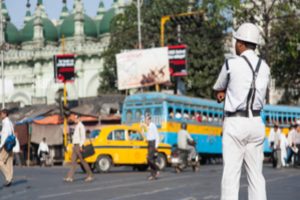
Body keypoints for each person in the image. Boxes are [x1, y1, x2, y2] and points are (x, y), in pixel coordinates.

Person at [213, 23, 270, 200]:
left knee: (231, 176)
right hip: (256, 123)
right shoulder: (265, 67)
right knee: (256, 177)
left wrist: (221, 94)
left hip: (235, 123)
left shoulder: (231, 64)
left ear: (240, 44)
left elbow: (218, 88)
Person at [64, 114, 94, 182]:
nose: (74, 120)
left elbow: (83, 137)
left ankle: (90, 175)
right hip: (75, 146)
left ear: (78, 119)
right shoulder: (77, 126)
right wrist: (73, 145)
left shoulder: (81, 126)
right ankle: (70, 177)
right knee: (73, 161)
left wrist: (80, 146)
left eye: (75, 119)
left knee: (82, 161)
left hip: (78, 146)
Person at [142, 114, 160, 180]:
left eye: (146, 119)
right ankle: (153, 174)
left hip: (153, 143)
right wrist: (143, 131)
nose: (145, 121)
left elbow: (157, 136)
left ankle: (157, 169)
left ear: (149, 119)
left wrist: (156, 146)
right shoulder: (147, 126)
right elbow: (146, 136)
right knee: (150, 159)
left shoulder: (153, 125)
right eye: (145, 120)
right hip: (149, 143)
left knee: (150, 158)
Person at [0, 109, 15, 187]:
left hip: (5, 145)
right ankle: (10, 178)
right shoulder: (10, 122)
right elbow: (11, 132)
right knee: (9, 162)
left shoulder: (5, 123)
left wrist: (0, 146)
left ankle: (8, 177)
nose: (0, 116)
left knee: (0, 162)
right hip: (11, 144)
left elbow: (5, 135)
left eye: (1, 114)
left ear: (5, 114)